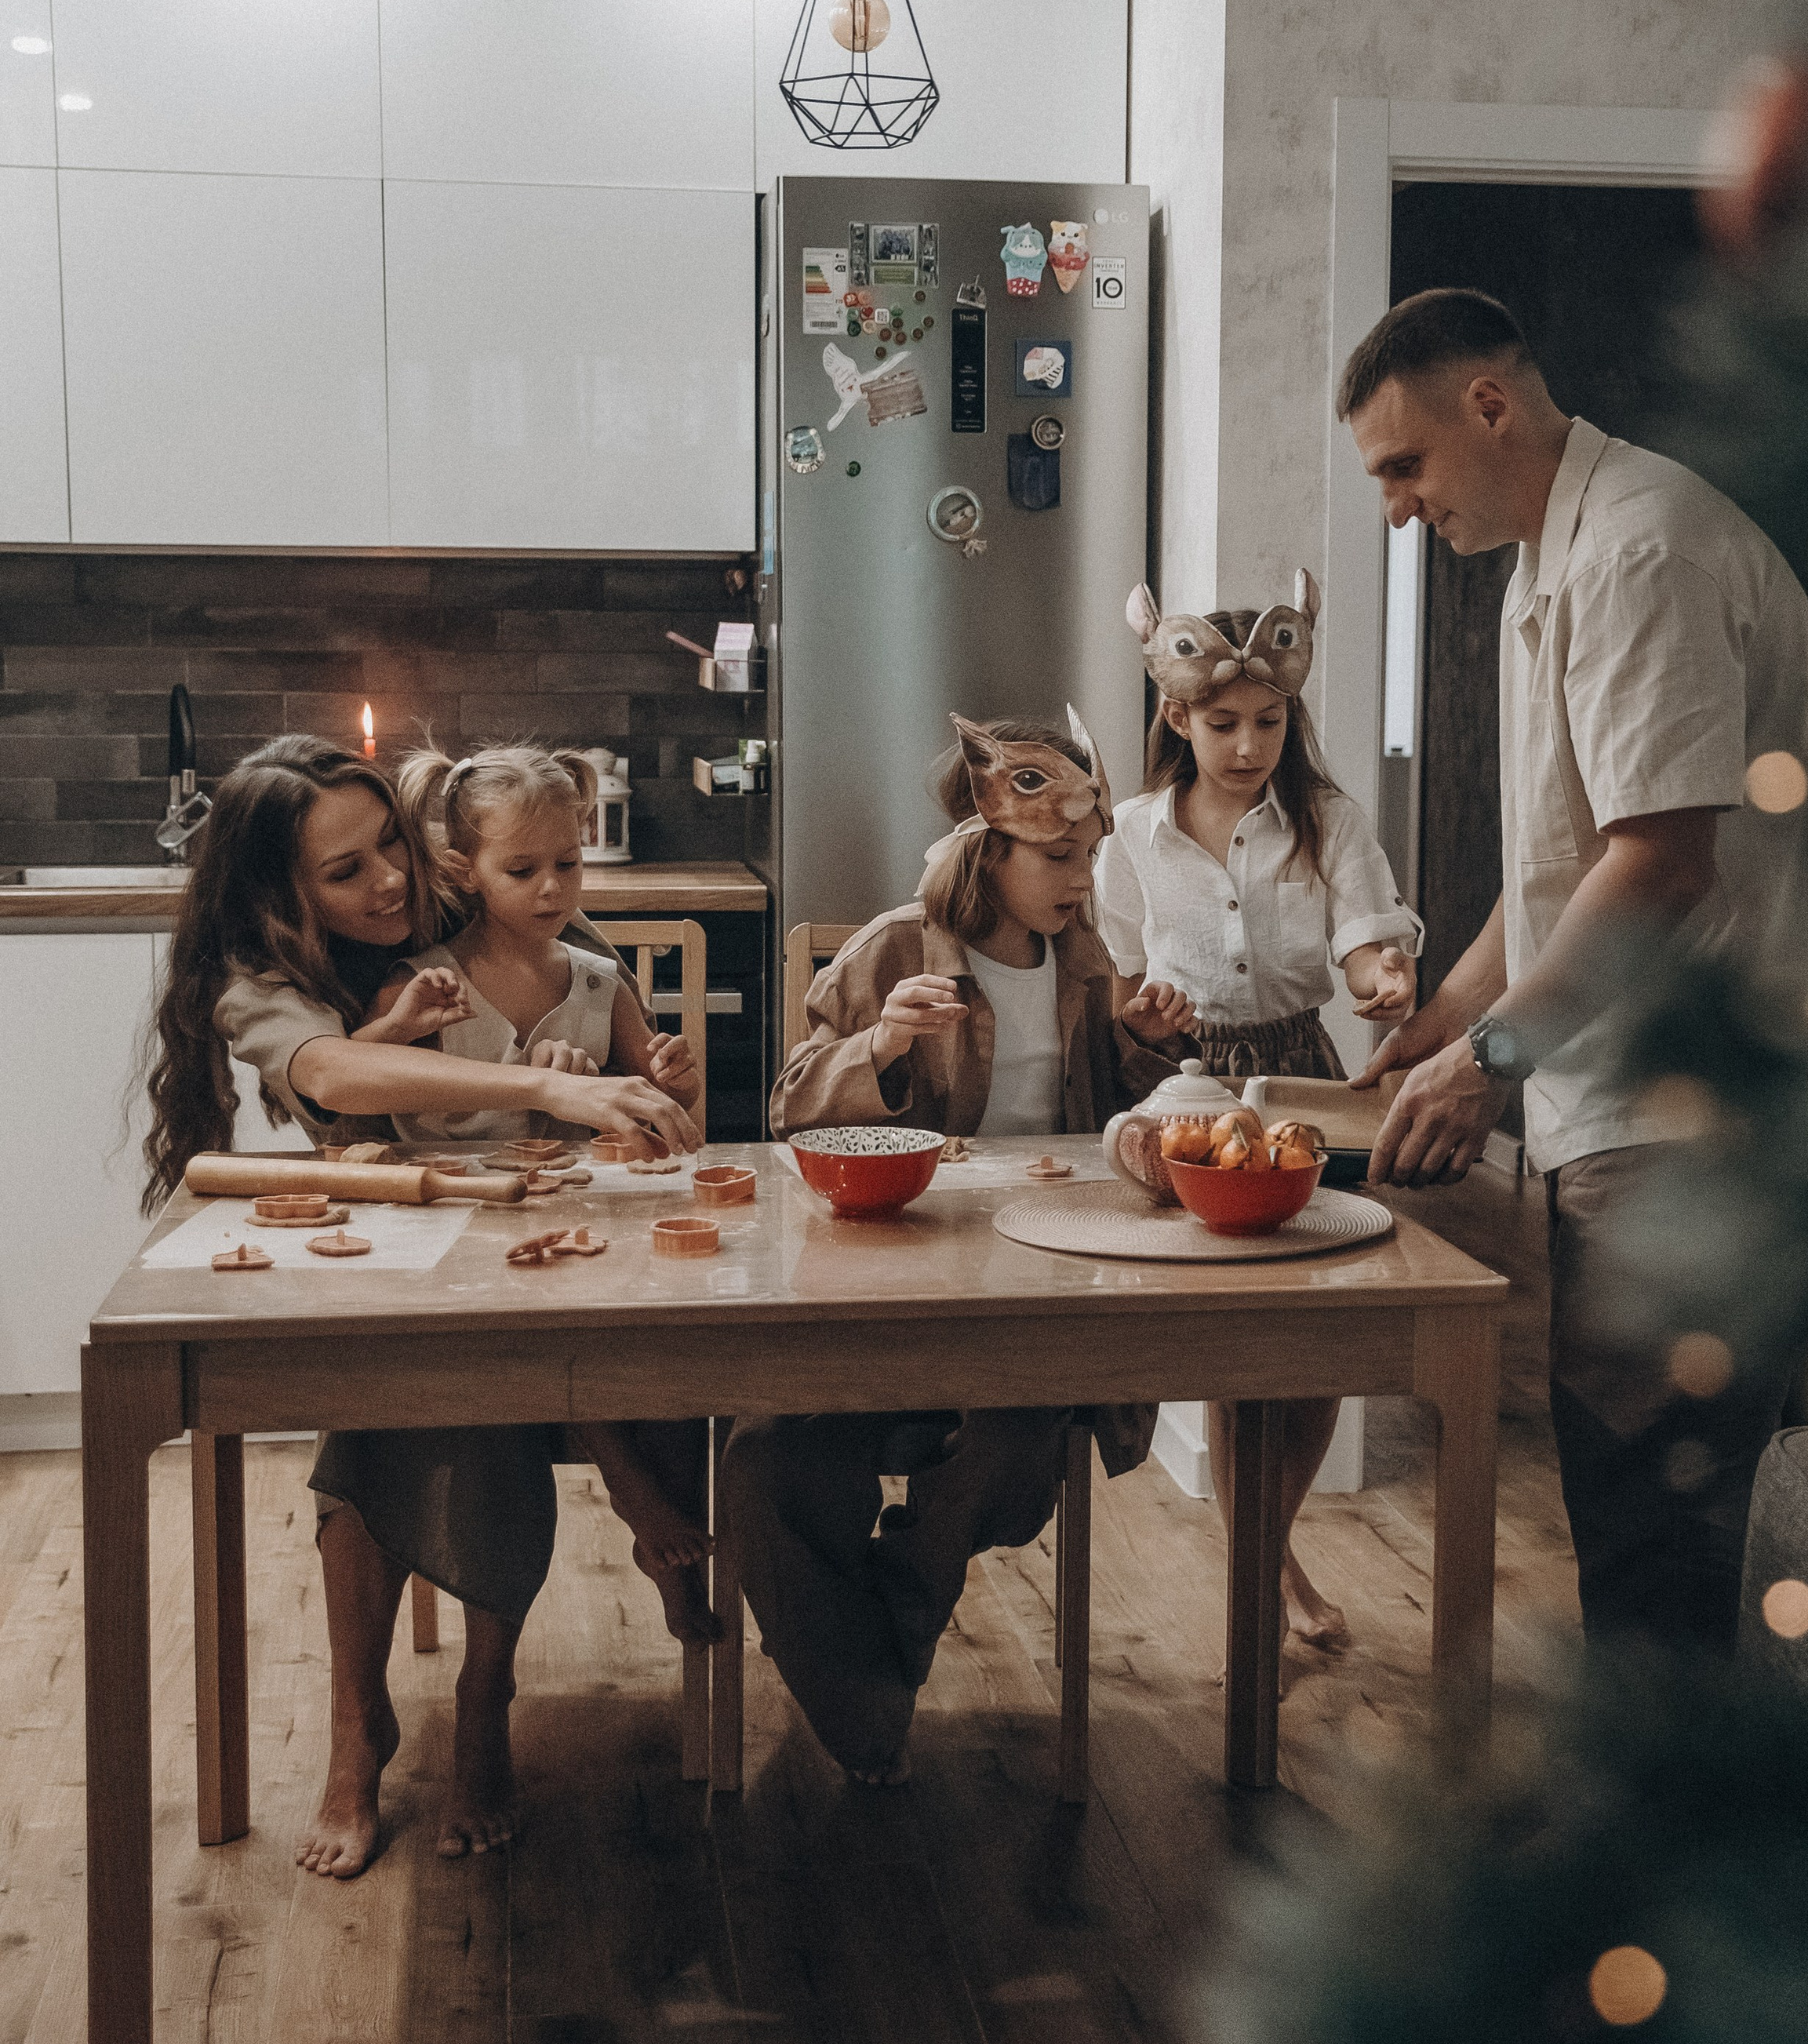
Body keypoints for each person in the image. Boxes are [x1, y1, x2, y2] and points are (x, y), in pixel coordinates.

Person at [1338, 289, 1808, 1649]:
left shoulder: (1640, 551)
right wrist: (1448, 1015)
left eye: (1405, 465)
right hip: (1654, 1096)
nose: (1397, 509)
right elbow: (1568, 861)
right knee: (1665, 1501)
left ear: (1491, 405)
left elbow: (1663, 868)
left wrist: (1494, 1062)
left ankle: (1672, 1846)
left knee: (1661, 1515)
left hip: (1699, 1112)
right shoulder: (1550, 562)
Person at [141, 734, 693, 1877]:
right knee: (405, 1396)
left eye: (388, 841)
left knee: (451, 1400)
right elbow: (336, 1080)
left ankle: (467, 1706)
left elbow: (596, 984)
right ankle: (368, 1723)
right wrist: (545, 1084)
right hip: (378, 1249)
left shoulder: (470, 897)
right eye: (344, 874)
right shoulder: (260, 976)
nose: (388, 881)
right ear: (280, 894)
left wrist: (629, 1067)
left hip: (520, 1244)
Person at [734, 709, 1189, 1782]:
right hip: (880, 1293)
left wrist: (1148, 1048)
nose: (1084, 878)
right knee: (764, 1461)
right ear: (989, 847)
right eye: (1060, 855)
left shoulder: (1094, 964)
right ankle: (870, 1690)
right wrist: (882, 1042)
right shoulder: (894, 948)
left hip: (1040, 1299)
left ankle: (890, 1622)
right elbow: (789, 1111)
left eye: (1091, 854)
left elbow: (1121, 1129)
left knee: (1020, 1432)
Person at [1096, 573, 1420, 1650]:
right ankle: (1268, 1570)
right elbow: (1117, 984)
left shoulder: (1330, 819)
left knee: (1318, 1337)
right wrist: (1143, 1017)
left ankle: (1265, 1557)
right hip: (1187, 1087)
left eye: (1268, 722)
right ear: (1176, 717)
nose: (1248, 745)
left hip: (1304, 1082)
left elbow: (1367, 930)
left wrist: (1382, 978)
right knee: (1240, 1353)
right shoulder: (1133, 835)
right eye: (1223, 723)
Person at [391, 743, 715, 1647]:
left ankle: (671, 1559)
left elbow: (659, 1124)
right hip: (458, 1230)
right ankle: (640, 1502)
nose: (551, 889)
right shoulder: (431, 983)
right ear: (464, 869)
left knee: (665, 1347)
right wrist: (523, 1079)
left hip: (579, 1230)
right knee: (547, 1320)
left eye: (567, 864)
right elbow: (390, 1108)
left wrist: (672, 1080)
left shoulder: (601, 981)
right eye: (521, 869)